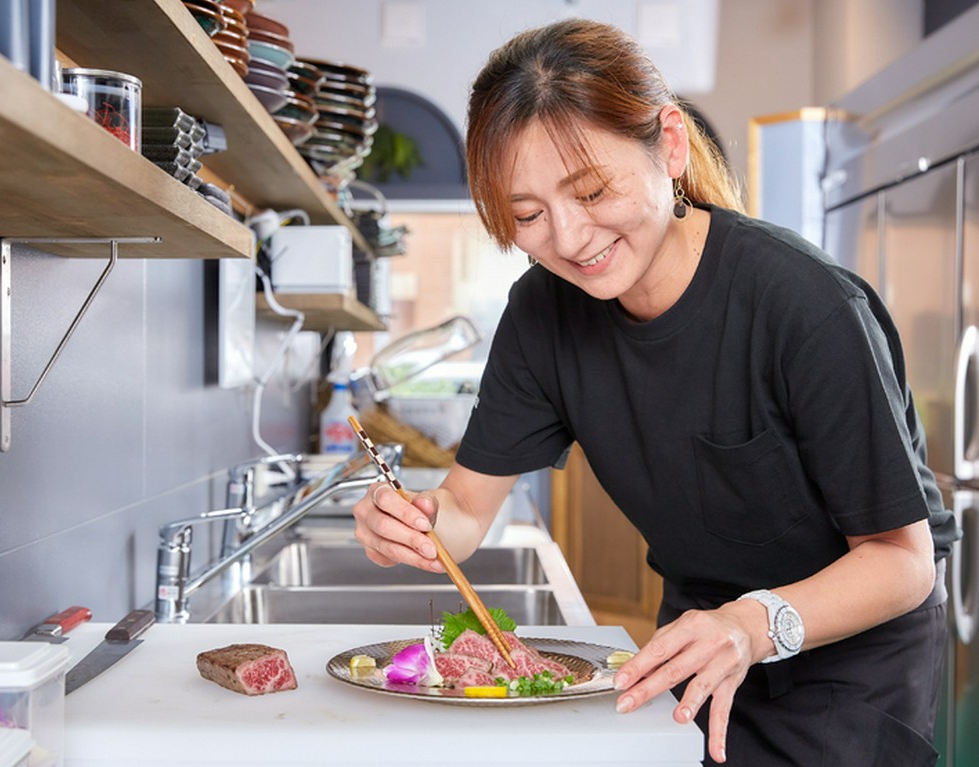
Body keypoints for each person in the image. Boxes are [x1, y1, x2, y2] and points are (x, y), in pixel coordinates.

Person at [352, 18, 959, 766]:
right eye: (529, 215)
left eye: (591, 190)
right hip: (696, 644)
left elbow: (903, 559)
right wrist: (415, 525)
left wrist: (752, 624)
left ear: (669, 145)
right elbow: (467, 510)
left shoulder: (804, 306)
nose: (570, 239)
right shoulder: (543, 314)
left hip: (849, 665)